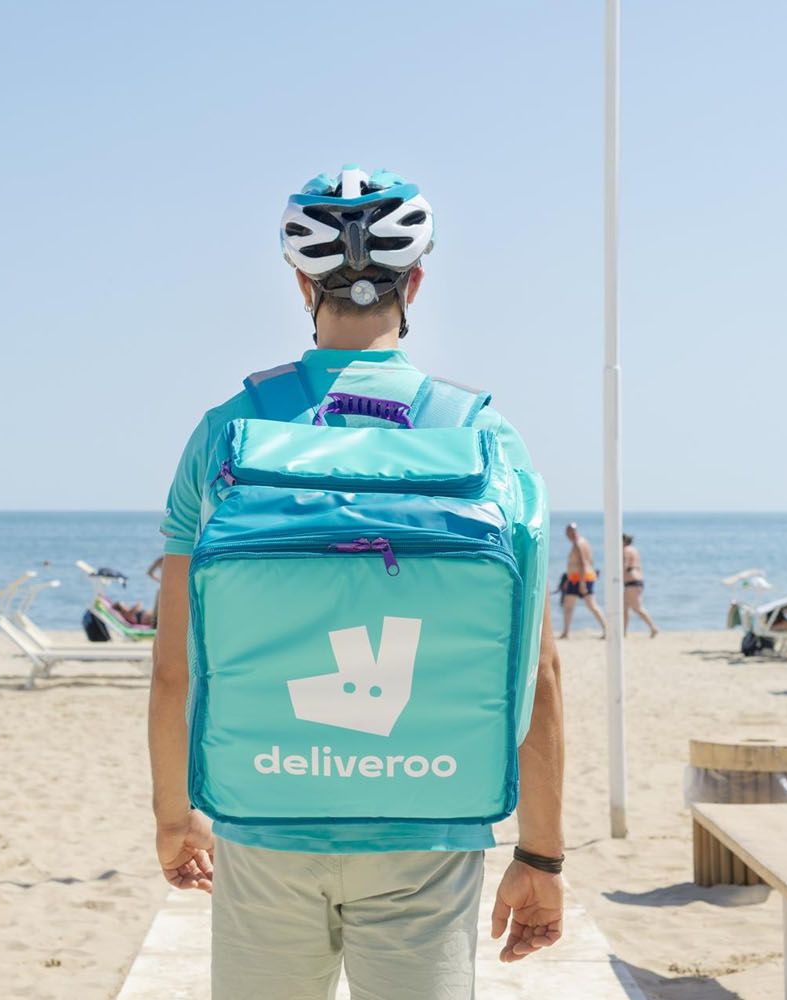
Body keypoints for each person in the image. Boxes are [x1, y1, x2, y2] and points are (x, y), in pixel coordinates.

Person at [151, 167, 564, 997]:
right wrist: (541, 856)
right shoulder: (484, 437)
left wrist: (174, 816)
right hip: (430, 821)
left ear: (302, 284)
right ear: (416, 281)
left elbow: (174, 666)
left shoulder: (230, 431)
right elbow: (535, 675)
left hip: (264, 813)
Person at [557, 522, 606, 639]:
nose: (567, 535)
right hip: (577, 578)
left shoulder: (578, 544)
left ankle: (607, 629)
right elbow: (590, 561)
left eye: (568, 532)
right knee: (569, 605)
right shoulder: (583, 542)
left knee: (591, 606)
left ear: (572, 532)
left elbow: (584, 564)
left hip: (581, 579)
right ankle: (566, 632)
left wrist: (583, 583)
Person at [622, 533, 659, 637]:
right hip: (637, 580)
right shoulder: (634, 550)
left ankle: (653, 627)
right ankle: (623, 631)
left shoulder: (626, 550)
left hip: (631, 581)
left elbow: (624, 566)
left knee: (637, 607)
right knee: (624, 607)